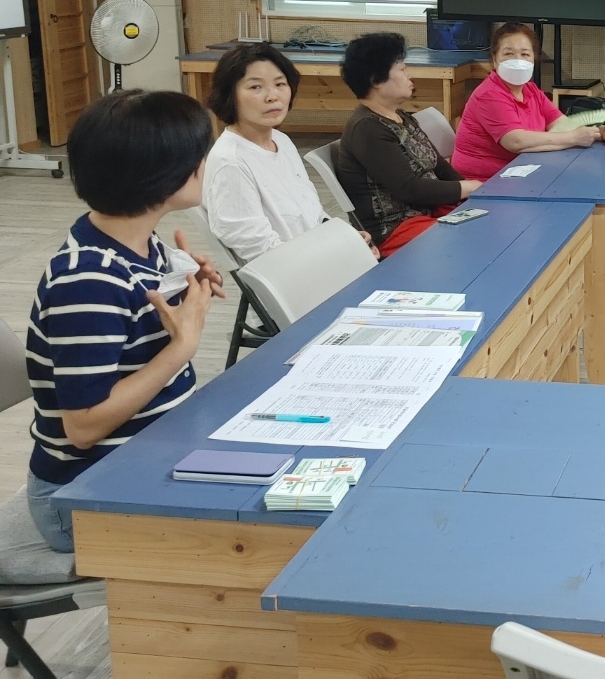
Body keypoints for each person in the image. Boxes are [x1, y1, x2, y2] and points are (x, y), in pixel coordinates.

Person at [26, 90, 224, 552]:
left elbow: (131, 333)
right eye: (198, 156)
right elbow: (83, 427)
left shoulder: (139, 244)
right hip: (82, 495)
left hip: (143, 460)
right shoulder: (87, 280)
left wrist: (181, 284)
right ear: (161, 174)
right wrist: (181, 348)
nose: (204, 165)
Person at [201, 43, 376, 263]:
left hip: (316, 258)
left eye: (280, 84)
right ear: (229, 95)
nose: (272, 96)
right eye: (256, 87)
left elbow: (312, 214)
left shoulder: (281, 140)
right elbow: (261, 251)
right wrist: (335, 256)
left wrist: (346, 240)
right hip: (292, 272)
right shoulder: (231, 161)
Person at [338, 32, 479, 257]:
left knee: (489, 219)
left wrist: (471, 192)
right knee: (474, 241)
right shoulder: (367, 128)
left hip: (427, 211)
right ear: (376, 80)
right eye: (402, 69)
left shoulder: (400, 117)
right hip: (395, 228)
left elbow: (439, 166)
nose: (409, 75)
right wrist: (468, 187)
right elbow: (409, 188)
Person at [451, 22, 605, 180]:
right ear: (495, 59)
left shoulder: (531, 90)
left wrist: (598, 132)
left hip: (523, 175)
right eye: (509, 53)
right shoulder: (489, 95)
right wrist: (574, 137)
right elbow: (516, 142)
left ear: (534, 58)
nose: (518, 60)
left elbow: (562, 125)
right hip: (484, 186)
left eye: (525, 54)